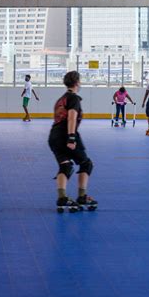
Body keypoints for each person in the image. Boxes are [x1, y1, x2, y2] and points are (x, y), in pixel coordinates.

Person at [48, 71, 97, 211]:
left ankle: (62, 198)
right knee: (86, 164)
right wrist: (71, 137)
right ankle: (82, 197)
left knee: (66, 166)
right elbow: (71, 118)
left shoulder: (61, 99)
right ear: (77, 83)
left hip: (54, 136)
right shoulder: (73, 98)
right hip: (66, 134)